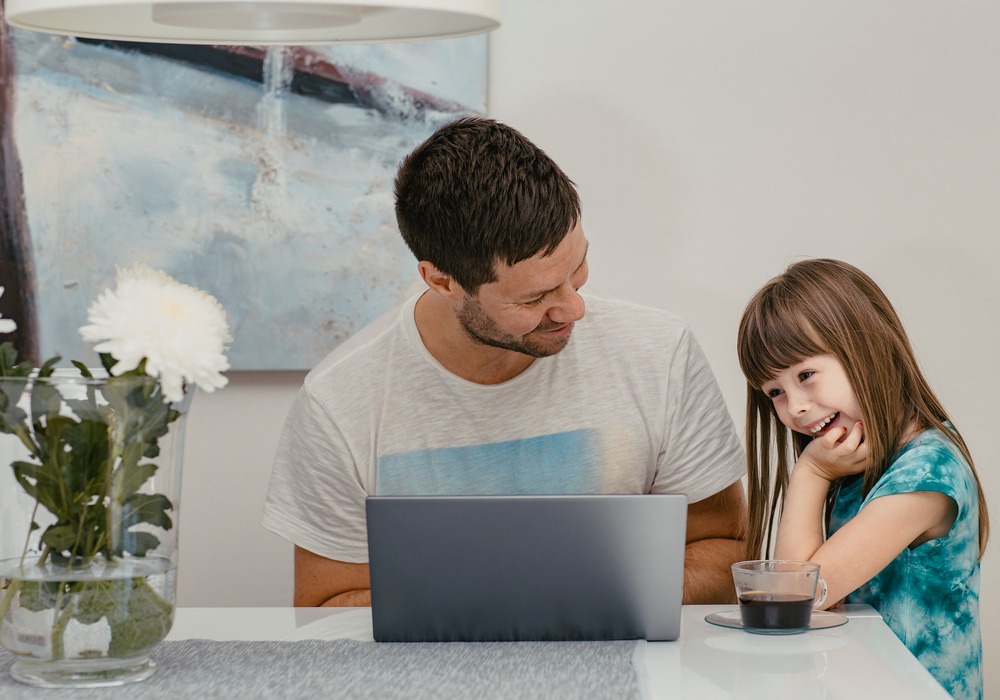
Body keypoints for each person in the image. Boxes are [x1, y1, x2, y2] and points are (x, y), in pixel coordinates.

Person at [262, 116, 747, 609]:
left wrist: (589, 601)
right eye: (534, 297)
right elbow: (326, 604)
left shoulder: (660, 352)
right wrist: (508, 608)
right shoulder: (339, 401)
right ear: (443, 282)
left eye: (577, 268)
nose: (574, 309)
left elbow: (728, 553)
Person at [737, 258, 987, 699]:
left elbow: (793, 600)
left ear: (866, 350)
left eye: (806, 375)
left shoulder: (926, 474)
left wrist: (811, 473)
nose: (794, 407)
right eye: (775, 391)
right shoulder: (852, 462)